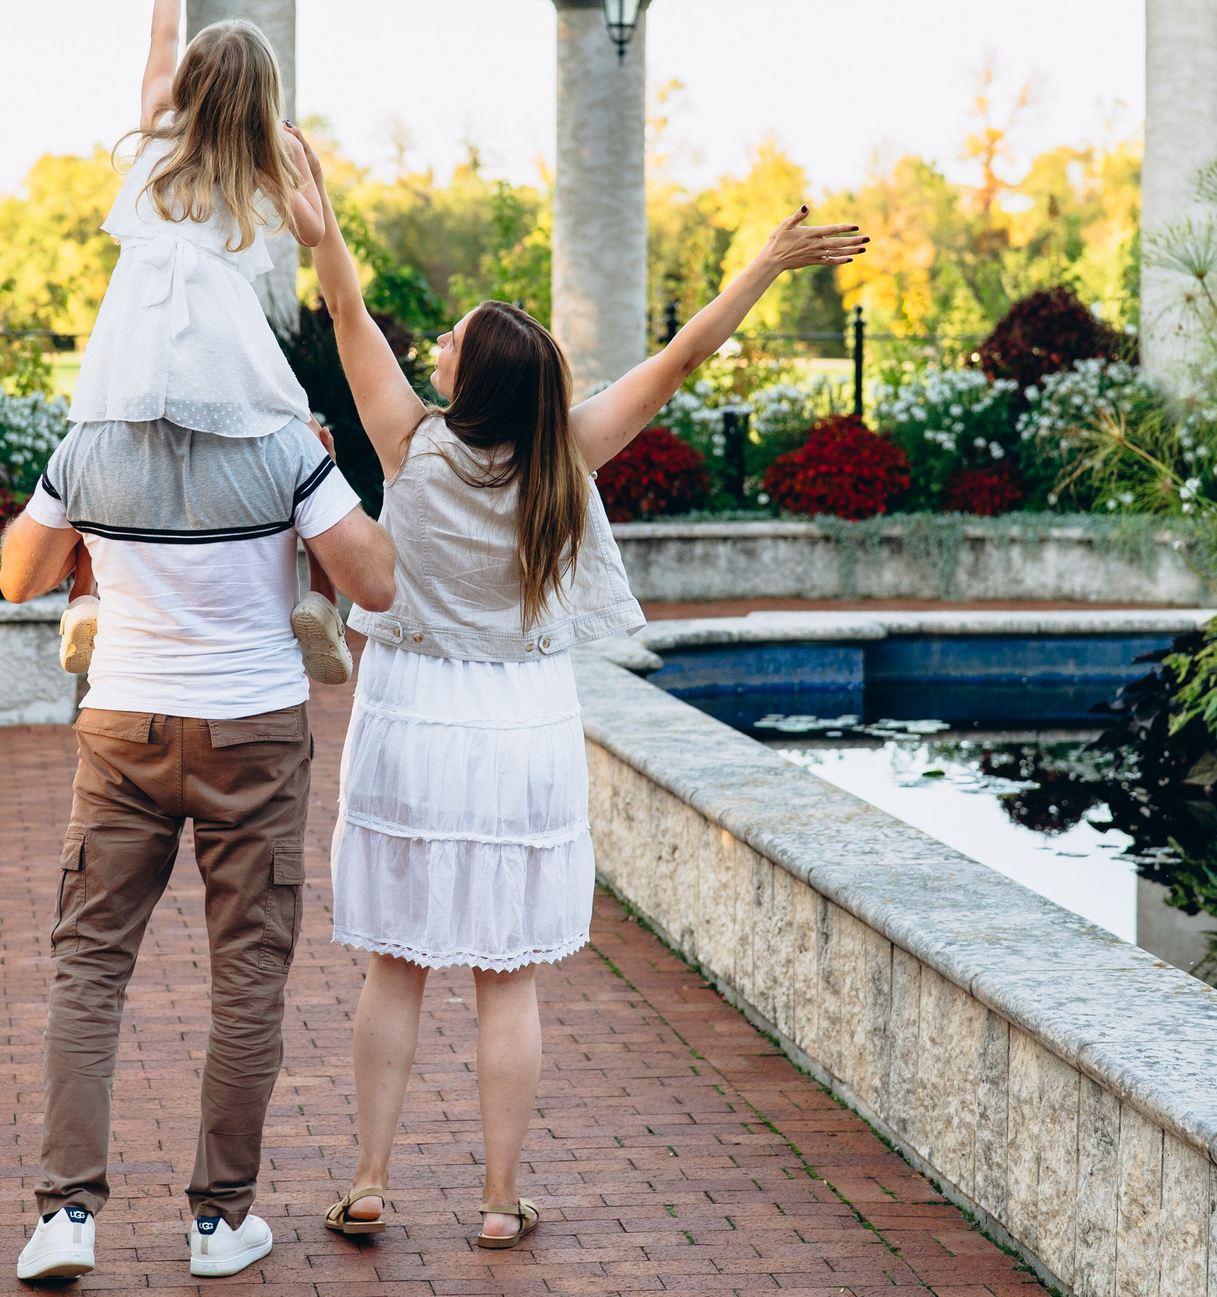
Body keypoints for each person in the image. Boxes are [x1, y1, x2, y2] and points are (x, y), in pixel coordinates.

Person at [298, 124, 867, 1250]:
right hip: (520, 724)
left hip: (411, 715)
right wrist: (761, 263)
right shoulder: (568, 453)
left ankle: (368, 1177)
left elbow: (347, 312)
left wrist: (318, 213)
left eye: (452, 339)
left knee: (397, 965)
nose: (438, 339)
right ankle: (501, 1202)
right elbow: (683, 359)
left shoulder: (406, 441)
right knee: (505, 979)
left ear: (470, 378)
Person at [0, 3, 400, 1282]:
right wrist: (336, 488)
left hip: (120, 723)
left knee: (89, 971)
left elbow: (16, 578)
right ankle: (220, 1221)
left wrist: (74, 543)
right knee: (245, 982)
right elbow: (375, 584)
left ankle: (64, 1214)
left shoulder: (90, 444)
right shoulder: (283, 447)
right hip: (255, 731)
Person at [54, 0, 352, 690]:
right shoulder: (266, 158)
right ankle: (318, 599)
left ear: (190, 82)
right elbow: (317, 235)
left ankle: (85, 597)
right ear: (264, 99)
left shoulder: (158, 127)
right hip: (222, 345)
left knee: (94, 446)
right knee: (307, 441)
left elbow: (159, 38)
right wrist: (309, 172)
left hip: (133, 339)